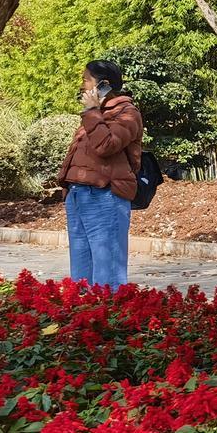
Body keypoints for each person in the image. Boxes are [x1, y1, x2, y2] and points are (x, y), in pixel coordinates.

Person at [56, 60, 143, 290]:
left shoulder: (127, 113)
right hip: (78, 195)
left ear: (103, 85)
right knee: (81, 276)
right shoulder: (94, 115)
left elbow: (106, 145)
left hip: (105, 196)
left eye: (86, 80)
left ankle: (110, 321)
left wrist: (92, 112)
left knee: (108, 275)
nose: (82, 85)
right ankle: (85, 319)